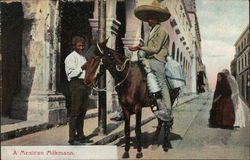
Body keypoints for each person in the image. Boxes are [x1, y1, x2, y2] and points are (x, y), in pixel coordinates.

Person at [129, 1, 172, 122]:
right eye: (148, 18)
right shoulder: (150, 32)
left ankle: (167, 110)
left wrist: (140, 48)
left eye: (152, 18)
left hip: (157, 59)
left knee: (162, 83)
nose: (149, 21)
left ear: (157, 19)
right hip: (149, 59)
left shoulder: (162, 31)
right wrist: (140, 48)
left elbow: (155, 49)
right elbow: (147, 47)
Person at [65, 36, 92, 145]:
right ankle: (72, 137)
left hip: (84, 85)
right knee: (75, 112)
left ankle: (80, 135)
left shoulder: (83, 57)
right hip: (76, 84)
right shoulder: (70, 58)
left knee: (82, 111)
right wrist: (82, 68)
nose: (81, 48)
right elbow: (71, 74)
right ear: (74, 46)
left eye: (82, 45)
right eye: (79, 46)